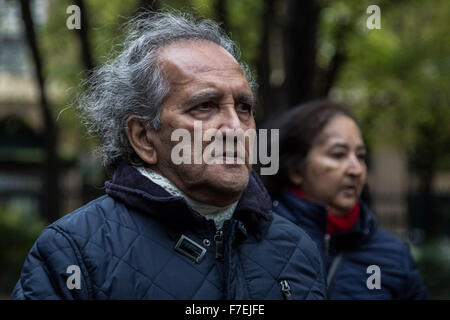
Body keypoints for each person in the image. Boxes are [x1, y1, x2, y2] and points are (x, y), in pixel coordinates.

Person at [11, 11, 326, 300]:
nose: (234, 128)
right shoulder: (73, 252)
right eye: (205, 106)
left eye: (244, 107)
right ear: (144, 137)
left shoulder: (296, 250)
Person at [262, 100, 428, 299]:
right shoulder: (257, 242)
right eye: (338, 155)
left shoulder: (393, 255)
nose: (356, 170)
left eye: (361, 156)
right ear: (296, 170)